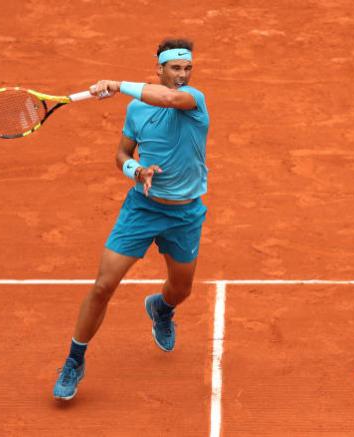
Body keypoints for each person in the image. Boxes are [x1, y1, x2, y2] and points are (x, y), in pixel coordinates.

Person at [53, 38, 209, 400]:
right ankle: (74, 360)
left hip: (185, 213)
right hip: (142, 208)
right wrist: (136, 170)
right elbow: (122, 153)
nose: (183, 75)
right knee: (103, 286)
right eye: (175, 68)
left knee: (181, 289)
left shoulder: (193, 100)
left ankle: (161, 308)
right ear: (159, 69)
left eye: (187, 68)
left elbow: (168, 99)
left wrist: (116, 84)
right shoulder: (136, 110)